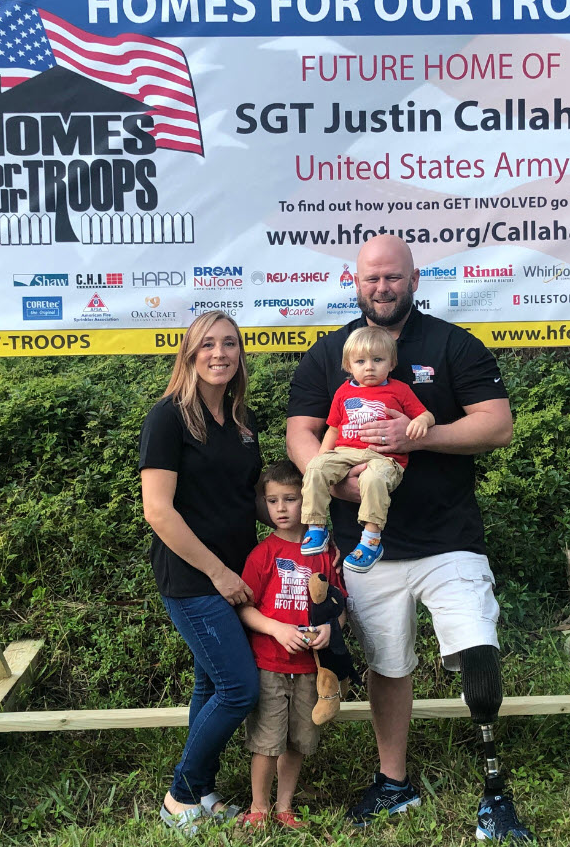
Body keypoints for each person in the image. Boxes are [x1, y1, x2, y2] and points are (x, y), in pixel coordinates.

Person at [286, 234, 536, 841]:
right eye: (371, 278)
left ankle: (494, 791)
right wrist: (341, 485)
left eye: (393, 277)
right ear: (356, 282)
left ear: (414, 279)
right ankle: (393, 782)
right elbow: (301, 430)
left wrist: (416, 436)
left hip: (449, 539)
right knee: (389, 666)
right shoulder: (331, 353)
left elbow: (497, 424)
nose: (382, 288)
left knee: (477, 652)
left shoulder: (452, 344)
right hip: (367, 544)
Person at [139, 310, 262, 835]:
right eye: (207, 344)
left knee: (210, 682)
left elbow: (246, 500)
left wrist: (310, 512)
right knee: (239, 688)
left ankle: (203, 792)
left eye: (229, 344)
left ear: (240, 355)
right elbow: (158, 511)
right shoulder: (167, 418)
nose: (219, 353)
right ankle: (179, 796)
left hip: (236, 568)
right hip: (194, 577)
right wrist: (218, 574)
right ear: (188, 354)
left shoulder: (241, 422)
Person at [237, 461, 346, 829]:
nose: (281, 508)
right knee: (267, 741)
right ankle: (258, 807)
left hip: (310, 670)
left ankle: (285, 807)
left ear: (308, 500)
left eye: (290, 499)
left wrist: (332, 626)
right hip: (270, 664)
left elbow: (337, 602)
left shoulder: (323, 551)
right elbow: (245, 609)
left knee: (299, 740)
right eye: (272, 501)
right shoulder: (263, 554)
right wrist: (277, 629)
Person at [300, 325, 434, 572]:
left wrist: (420, 422)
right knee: (315, 467)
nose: (369, 367)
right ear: (349, 366)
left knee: (373, 479)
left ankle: (371, 541)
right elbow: (333, 428)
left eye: (378, 360)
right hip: (345, 453)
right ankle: (316, 527)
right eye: (360, 361)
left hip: (384, 457)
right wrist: (322, 458)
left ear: (391, 363)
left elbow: (425, 414)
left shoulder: (399, 389)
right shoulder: (343, 391)